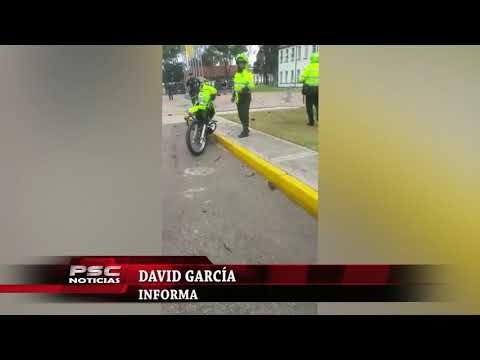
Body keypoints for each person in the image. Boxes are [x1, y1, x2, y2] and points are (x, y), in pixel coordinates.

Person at [231, 53, 255, 138]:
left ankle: (245, 131)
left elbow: (252, 85)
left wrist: (244, 88)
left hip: (246, 96)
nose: (240, 64)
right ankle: (245, 128)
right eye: (239, 63)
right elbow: (235, 86)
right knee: (240, 115)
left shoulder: (248, 73)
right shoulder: (236, 74)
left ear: (245, 63)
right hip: (238, 97)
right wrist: (233, 96)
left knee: (244, 114)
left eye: (242, 62)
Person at [299, 52, 319, 126]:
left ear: (312, 59)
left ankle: (311, 122)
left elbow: (301, 79)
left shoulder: (308, 67)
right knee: (319, 105)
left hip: (310, 89)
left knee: (309, 106)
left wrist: (302, 80)